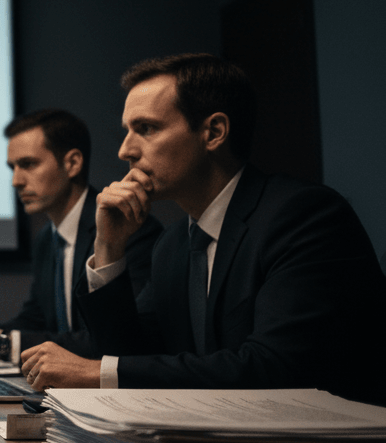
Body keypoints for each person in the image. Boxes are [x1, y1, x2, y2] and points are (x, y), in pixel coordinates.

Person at [20, 53, 385, 404]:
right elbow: (127, 354)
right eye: (127, 131)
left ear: (214, 132)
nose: (125, 150)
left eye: (145, 129)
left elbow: (274, 368)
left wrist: (98, 374)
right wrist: (109, 248)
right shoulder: (173, 244)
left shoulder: (304, 216)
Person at [0, 109, 162, 361]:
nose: (16, 181)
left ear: (72, 164)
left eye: (28, 164)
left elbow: (111, 338)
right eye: (13, 167)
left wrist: (4, 341)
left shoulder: (127, 229)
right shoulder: (47, 237)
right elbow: (36, 318)